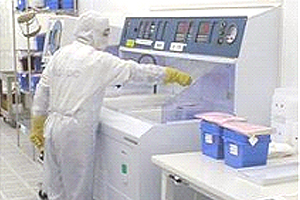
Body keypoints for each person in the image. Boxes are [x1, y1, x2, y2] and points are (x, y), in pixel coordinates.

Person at [29, 11, 192, 200]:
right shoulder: (99, 60)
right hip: (76, 132)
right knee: (78, 187)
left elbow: (42, 91)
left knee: (54, 184)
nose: (107, 38)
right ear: (91, 33)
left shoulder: (60, 54)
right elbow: (137, 71)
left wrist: (37, 122)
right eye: (104, 33)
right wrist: (170, 74)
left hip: (53, 125)